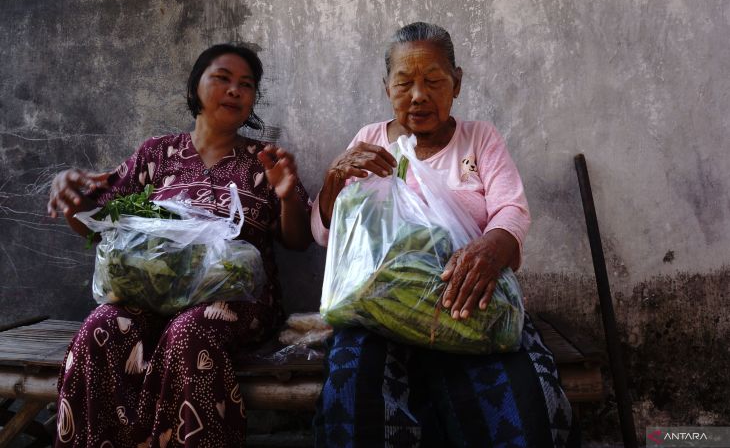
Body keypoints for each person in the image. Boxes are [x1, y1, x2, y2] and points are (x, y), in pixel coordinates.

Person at [311, 22, 574, 447]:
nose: (419, 95)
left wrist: (493, 246)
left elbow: (512, 209)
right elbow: (330, 236)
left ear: (457, 83)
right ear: (386, 88)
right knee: (355, 397)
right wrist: (331, 182)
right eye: (404, 83)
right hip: (380, 311)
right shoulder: (369, 141)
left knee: (526, 406)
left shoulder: (480, 139)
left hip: (468, 299)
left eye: (433, 81)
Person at [47, 44, 312, 447]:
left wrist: (288, 195)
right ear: (196, 86)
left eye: (246, 85)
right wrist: (67, 192)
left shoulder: (262, 161)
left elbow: (297, 241)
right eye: (222, 78)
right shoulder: (156, 153)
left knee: (190, 331)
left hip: (236, 300)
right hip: (153, 295)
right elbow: (100, 227)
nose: (235, 90)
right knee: (101, 325)